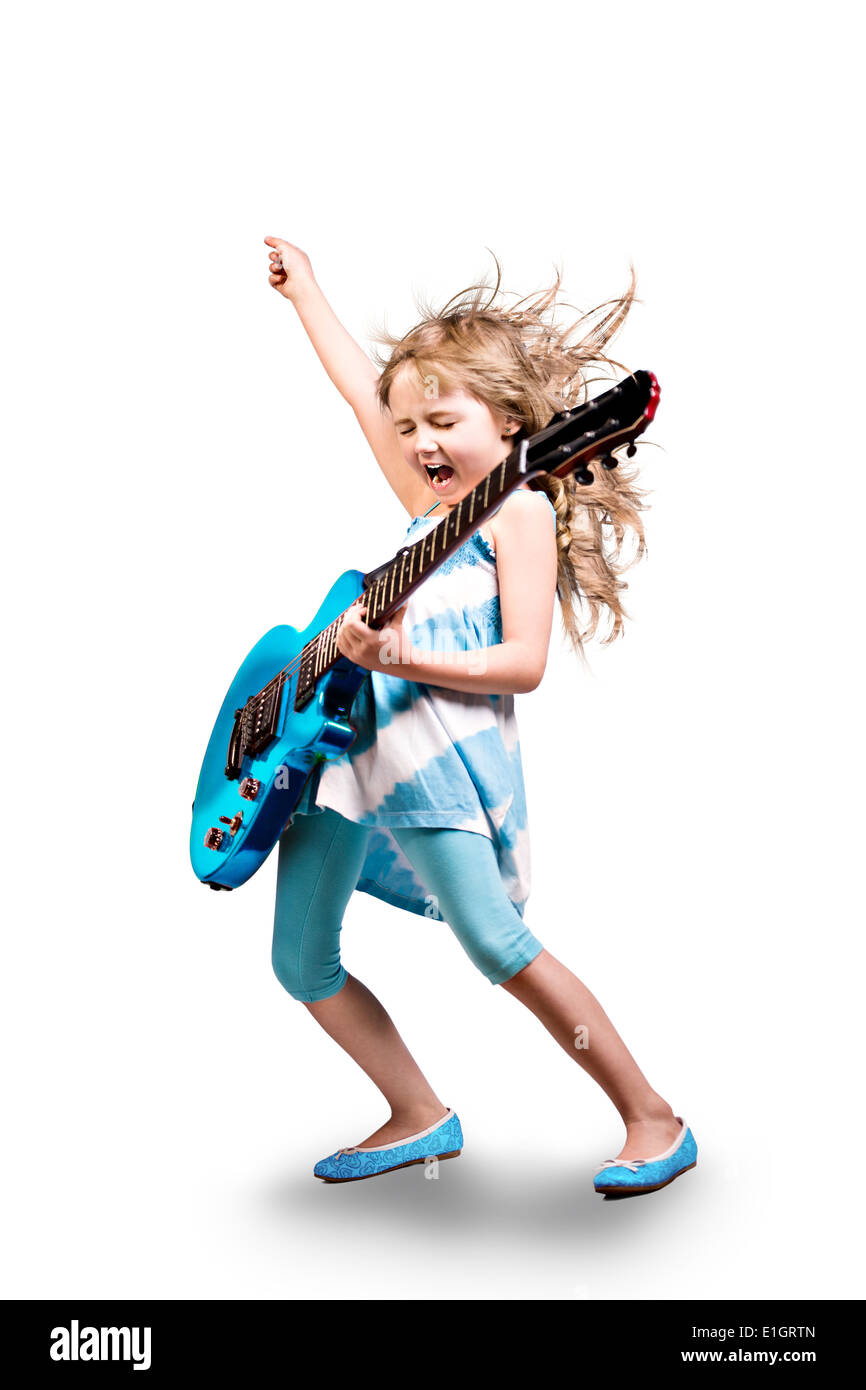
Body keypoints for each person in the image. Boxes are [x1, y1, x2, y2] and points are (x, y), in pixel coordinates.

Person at [262, 235, 698, 1196]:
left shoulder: (518, 511)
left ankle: (653, 1117)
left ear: (505, 421)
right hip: (345, 762)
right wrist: (309, 296)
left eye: (441, 420)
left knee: (497, 947)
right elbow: (357, 393)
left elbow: (524, 664)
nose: (418, 443)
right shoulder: (429, 511)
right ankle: (419, 1115)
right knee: (300, 962)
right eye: (408, 425)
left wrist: (397, 654)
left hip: (435, 762)